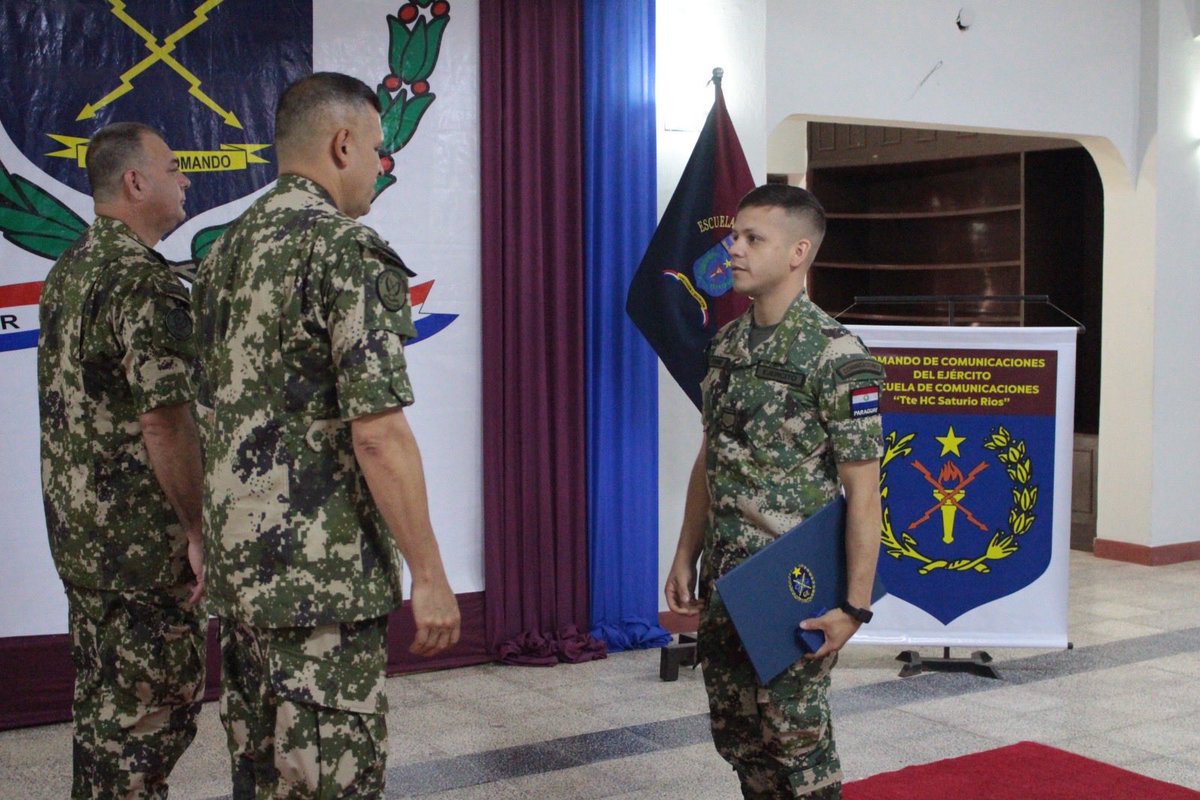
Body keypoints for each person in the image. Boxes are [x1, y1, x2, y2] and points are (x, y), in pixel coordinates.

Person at [192, 71, 461, 798]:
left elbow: (205, 414)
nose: (380, 164)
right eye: (376, 148)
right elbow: (378, 434)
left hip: (243, 578)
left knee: (262, 778)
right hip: (321, 588)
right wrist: (430, 574)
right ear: (343, 145)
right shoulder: (343, 250)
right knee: (330, 781)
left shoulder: (221, 256)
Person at [664, 184, 885, 799]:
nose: (732, 249)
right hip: (727, 583)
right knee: (740, 738)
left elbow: (865, 493)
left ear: (797, 253)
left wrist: (855, 608)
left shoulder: (837, 356)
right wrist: (686, 553)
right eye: (734, 236)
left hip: (795, 587)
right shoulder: (726, 347)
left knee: (796, 745)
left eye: (752, 238)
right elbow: (710, 457)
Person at [37, 121, 206, 798]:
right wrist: (197, 528)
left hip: (83, 537)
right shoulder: (141, 282)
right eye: (172, 168)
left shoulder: (71, 268)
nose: (184, 179)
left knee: (107, 713)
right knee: (150, 719)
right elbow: (165, 421)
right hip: (140, 549)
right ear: (135, 182)